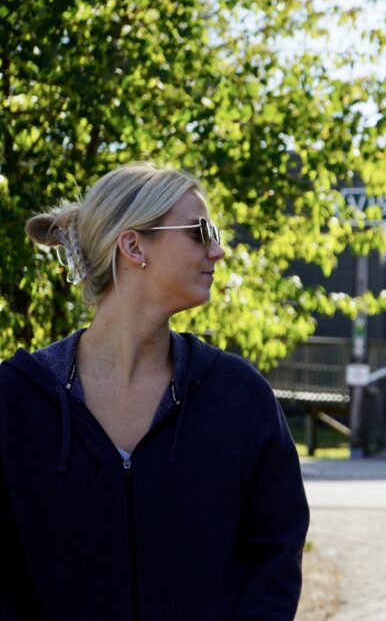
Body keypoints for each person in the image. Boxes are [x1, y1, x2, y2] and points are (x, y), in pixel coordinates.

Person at [0, 163, 310, 619]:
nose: (218, 250)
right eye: (200, 231)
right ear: (132, 245)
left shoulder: (238, 396)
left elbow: (276, 554)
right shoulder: (15, 400)